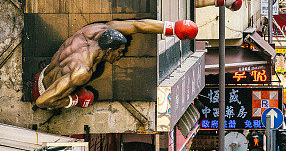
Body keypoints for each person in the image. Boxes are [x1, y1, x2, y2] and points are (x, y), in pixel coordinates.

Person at [32, 17, 197, 109]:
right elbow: (42, 101)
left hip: (44, 73)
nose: (121, 55)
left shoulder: (94, 31)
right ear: (109, 51)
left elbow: (137, 25)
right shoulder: (83, 71)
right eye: (120, 52)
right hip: (42, 91)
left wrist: (173, 28)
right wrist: (74, 100)